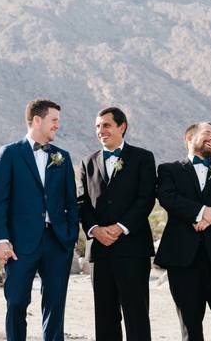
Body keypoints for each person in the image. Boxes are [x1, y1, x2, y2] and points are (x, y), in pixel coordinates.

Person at [0, 99, 79, 341]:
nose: (57, 126)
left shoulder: (63, 156)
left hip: (57, 241)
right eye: (54, 120)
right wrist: (1, 239)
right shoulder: (10, 153)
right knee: (17, 302)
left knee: (55, 306)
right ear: (37, 120)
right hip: (20, 243)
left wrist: (70, 235)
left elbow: (71, 201)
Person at [154, 122, 211, 341]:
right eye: (207, 133)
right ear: (189, 138)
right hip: (183, 260)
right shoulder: (169, 170)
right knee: (190, 325)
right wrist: (202, 212)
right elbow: (168, 197)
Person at [77, 106, 156, 341]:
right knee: (105, 315)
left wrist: (120, 227)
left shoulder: (143, 158)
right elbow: (82, 201)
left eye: (106, 125)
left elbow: (146, 198)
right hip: (100, 250)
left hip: (133, 248)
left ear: (122, 127)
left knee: (136, 314)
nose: (101, 131)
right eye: (98, 126)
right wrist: (94, 230)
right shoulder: (87, 161)